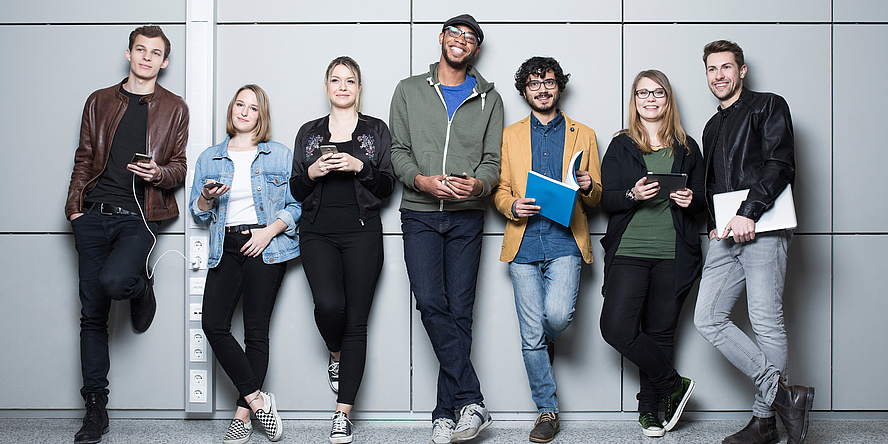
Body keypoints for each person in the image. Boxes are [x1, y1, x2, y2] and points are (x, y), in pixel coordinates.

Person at [65, 25, 188, 444]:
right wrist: (75, 210)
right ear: (129, 54)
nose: (147, 58)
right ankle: (95, 408)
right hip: (94, 214)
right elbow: (84, 157)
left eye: (156, 53)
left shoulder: (175, 108)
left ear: (164, 62)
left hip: (140, 215)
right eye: (141, 50)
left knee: (115, 282)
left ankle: (139, 289)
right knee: (91, 315)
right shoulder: (99, 101)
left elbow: (180, 168)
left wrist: (159, 173)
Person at [389, 13, 503, 444]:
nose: (461, 41)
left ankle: (445, 413)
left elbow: (492, 162)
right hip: (419, 212)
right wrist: (420, 180)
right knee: (431, 303)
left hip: (467, 216)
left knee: (460, 311)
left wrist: (479, 184)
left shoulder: (489, 99)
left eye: (470, 38)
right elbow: (398, 150)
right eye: (454, 33)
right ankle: (471, 398)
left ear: (475, 49)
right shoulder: (409, 90)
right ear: (441, 38)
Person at [693, 40, 813, 444]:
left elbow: (781, 163)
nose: (719, 76)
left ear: (742, 71)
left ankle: (764, 421)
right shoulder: (711, 126)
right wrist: (714, 221)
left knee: (766, 323)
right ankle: (784, 394)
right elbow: (713, 184)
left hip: (762, 226)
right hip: (727, 234)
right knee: (707, 317)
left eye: (727, 67)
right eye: (712, 69)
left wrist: (750, 211)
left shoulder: (768, 106)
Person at [492, 56, 601, 443]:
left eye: (549, 82)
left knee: (553, 318)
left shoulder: (584, 134)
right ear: (525, 91)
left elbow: (597, 197)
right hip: (523, 241)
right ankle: (547, 410)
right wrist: (511, 205)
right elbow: (500, 189)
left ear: (559, 87)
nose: (542, 89)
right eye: (534, 84)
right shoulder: (510, 135)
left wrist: (588, 186)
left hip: (565, 241)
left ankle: (543, 346)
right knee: (530, 336)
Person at [291, 56, 394, 444]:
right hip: (317, 232)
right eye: (336, 80)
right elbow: (297, 190)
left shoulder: (375, 130)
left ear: (359, 87)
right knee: (329, 307)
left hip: (363, 233)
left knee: (357, 322)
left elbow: (386, 187)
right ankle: (335, 354)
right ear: (327, 87)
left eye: (350, 80)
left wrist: (357, 165)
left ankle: (342, 413)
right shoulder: (309, 132)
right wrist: (313, 172)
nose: (343, 86)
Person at [190, 84, 299, 444]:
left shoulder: (280, 155)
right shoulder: (210, 157)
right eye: (239, 104)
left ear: (260, 115)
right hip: (226, 245)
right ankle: (256, 400)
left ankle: (240, 417)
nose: (244, 112)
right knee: (213, 324)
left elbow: (297, 206)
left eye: (252, 108)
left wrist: (268, 232)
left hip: (264, 244)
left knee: (256, 330)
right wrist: (206, 197)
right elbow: (199, 211)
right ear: (232, 109)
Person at [599, 69, 704, 438]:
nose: (650, 99)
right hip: (630, 249)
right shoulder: (621, 145)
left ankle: (651, 411)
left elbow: (704, 202)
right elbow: (604, 198)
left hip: (674, 252)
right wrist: (632, 195)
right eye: (642, 93)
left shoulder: (688, 147)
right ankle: (674, 384)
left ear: (667, 98)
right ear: (635, 100)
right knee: (616, 328)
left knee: (659, 333)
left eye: (657, 92)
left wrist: (691, 201)